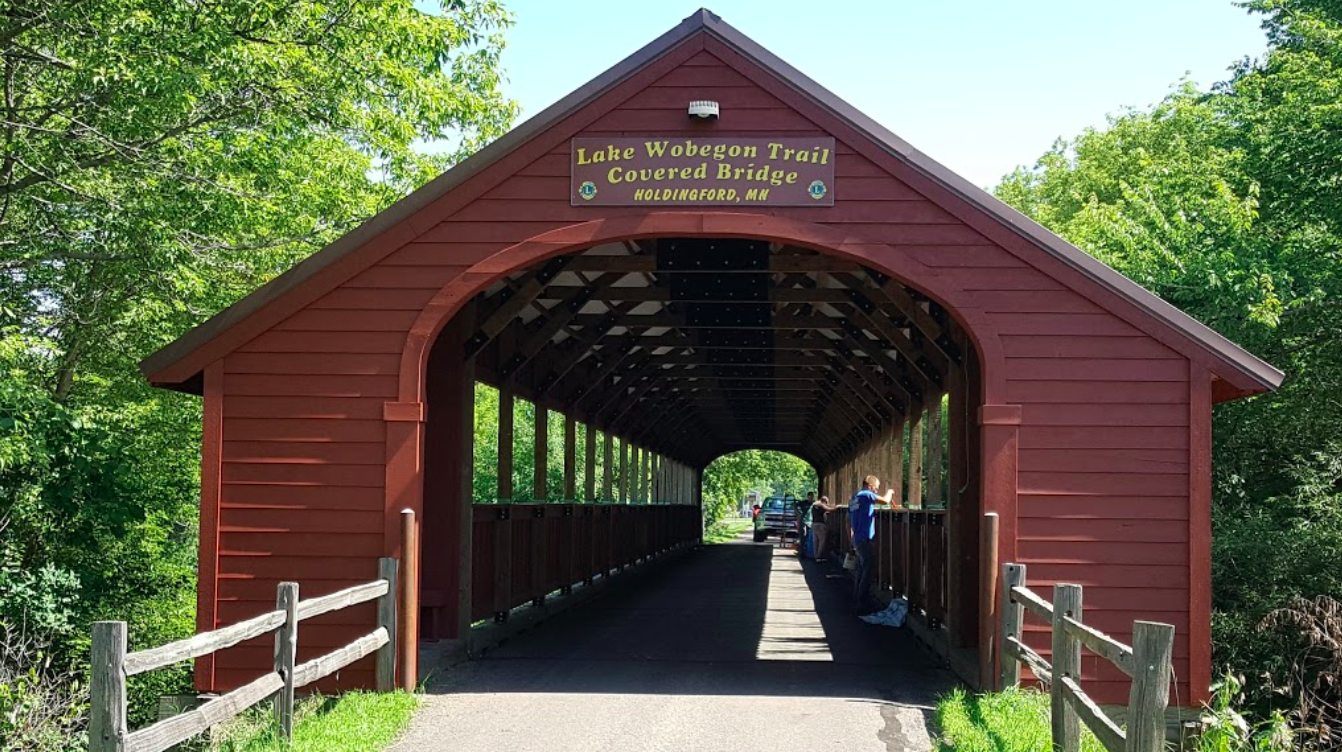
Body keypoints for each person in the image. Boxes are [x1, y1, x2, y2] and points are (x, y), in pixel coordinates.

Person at [850, 475, 895, 615]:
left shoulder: (854, 498)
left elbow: (849, 518)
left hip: (857, 537)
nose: (876, 491)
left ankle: (857, 599)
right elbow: (886, 501)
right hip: (864, 538)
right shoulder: (867, 495)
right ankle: (862, 602)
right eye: (876, 488)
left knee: (861, 569)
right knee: (868, 568)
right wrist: (891, 491)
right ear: (870, 486)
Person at [811, 494, 835, 560]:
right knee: (822, 541)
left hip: (814, 524)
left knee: (815, 541)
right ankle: (819, 556)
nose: (826, 504)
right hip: (820, 524)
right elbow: (829, 509)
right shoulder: (821, 505)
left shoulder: (814, 505)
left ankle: (816, 556)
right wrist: (836, 507)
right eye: (826, 503)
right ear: (824, 501)